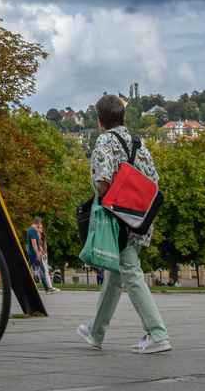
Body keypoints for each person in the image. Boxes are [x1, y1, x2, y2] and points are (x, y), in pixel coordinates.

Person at [77, 94, 170, 354]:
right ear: (125, 117)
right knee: (116, 274)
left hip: (118, 224)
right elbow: (154, 181)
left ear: (99, 121)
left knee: (128, 271)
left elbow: (103, 182)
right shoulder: (139, 143)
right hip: (139, 219)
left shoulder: (104, 141)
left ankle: (158, 334)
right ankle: (96, 332)